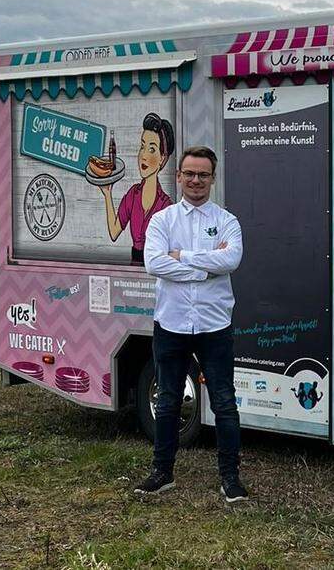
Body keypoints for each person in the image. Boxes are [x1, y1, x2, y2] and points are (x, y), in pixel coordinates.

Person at [133, 146, 248, 503]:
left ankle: (230, 479)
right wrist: (207, 267)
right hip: (171, 324)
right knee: (167, 400)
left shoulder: (227, 220)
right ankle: (162, 473)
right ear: (179, 177)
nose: (196, 180)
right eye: (190, 174)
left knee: (224, 402)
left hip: (214, 326)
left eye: (203, 174)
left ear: (213, 178)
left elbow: (232, 258)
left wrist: (182, 257)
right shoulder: (162, 220)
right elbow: (154, 264)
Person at [100, 113, 175, 265]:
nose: (144, 155)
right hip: (133, 271)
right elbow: (114, 233)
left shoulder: (166, 205)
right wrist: (107, 195)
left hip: (158, 270)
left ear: (163, 158)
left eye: (152, 149)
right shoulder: (133, 195)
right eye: (142, 146)